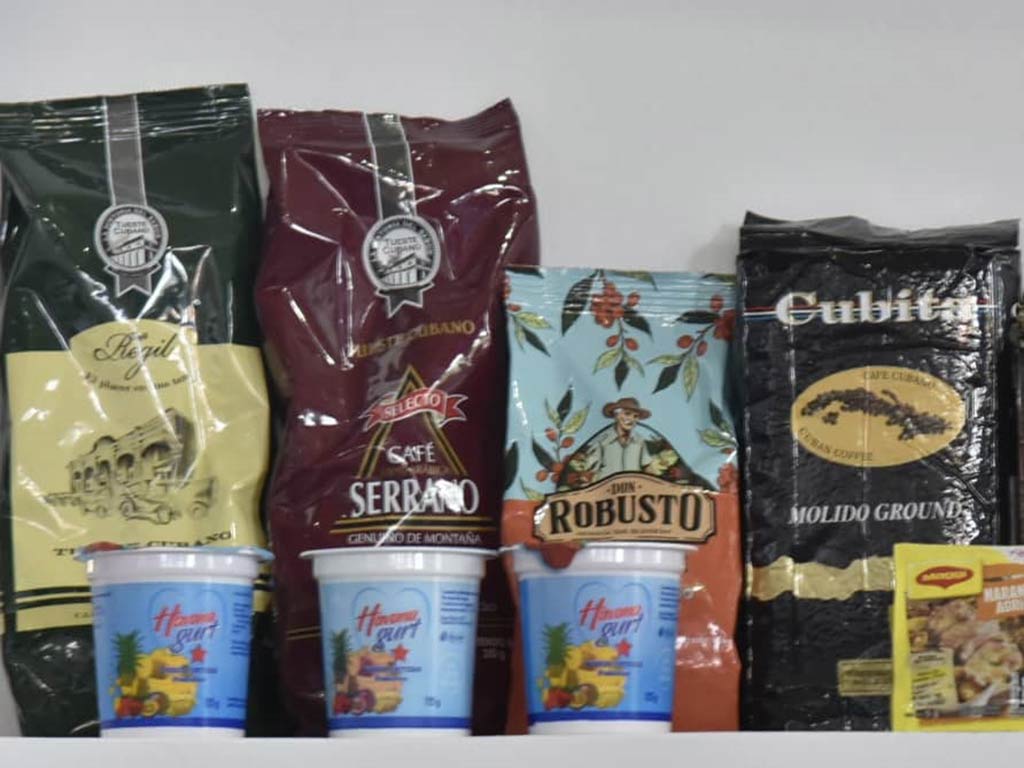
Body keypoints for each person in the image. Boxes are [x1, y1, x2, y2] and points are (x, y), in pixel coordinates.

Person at [589, 397, 652, 480]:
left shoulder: (639, 440)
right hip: (608, 486)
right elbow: (592, 470)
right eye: (627, 414)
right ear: (616, 415)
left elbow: (647, 466)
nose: (631, 419)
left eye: (635, 416)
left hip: (634, 485)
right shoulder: (601, 441)